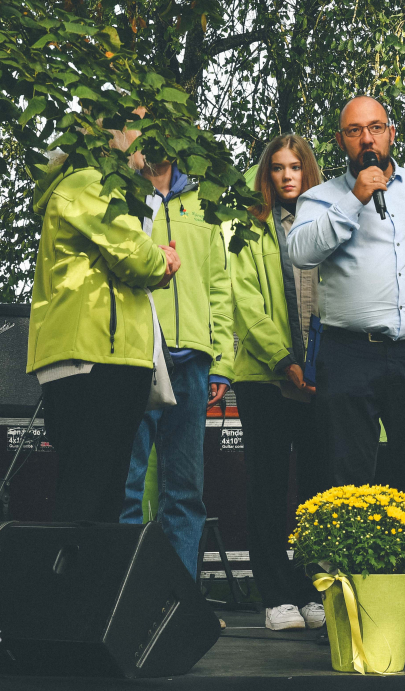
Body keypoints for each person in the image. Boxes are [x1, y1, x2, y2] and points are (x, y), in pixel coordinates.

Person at [288, 96, 405, 633]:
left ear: (392, 132)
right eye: (354, 131)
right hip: (349, 352)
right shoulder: (322, 198)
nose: (366, 140)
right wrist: (355, 202)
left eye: (375, 128)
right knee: (349, 477)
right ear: (342, 140)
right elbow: (301, 254)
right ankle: (348, 601)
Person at [26, 117, 179, 522]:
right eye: (140, 129)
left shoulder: (83, 182)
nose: (148, 141)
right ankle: (73, 585)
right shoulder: (89, 182)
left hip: (97, 355)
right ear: (114, 134)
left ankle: (82, 583)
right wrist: (162, 260)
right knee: (90, 499)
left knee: (97, 497)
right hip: (95, 357)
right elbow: (137, 258)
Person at [117, 116, 235, 580]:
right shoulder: (120, 195)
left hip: (192, 363)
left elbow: (219, 284)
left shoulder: (205, 203)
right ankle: (124, 603)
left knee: (185, 491)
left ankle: (179, 603)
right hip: (137, 355)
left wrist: (219, 362)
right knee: (126, 487)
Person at [230, 134, 328, 630]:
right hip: (265, 377)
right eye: (277, 168)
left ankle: (312, 590)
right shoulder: (248, 228)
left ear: (309, 172)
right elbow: (243, 303)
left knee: (317, 488)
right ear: (265, 175)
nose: (287, 175)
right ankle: (274, 597)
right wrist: (286, 359)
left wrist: (321, 364)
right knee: (268, 487)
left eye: (296, 167)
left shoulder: (328, 223)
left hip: (320, 377)